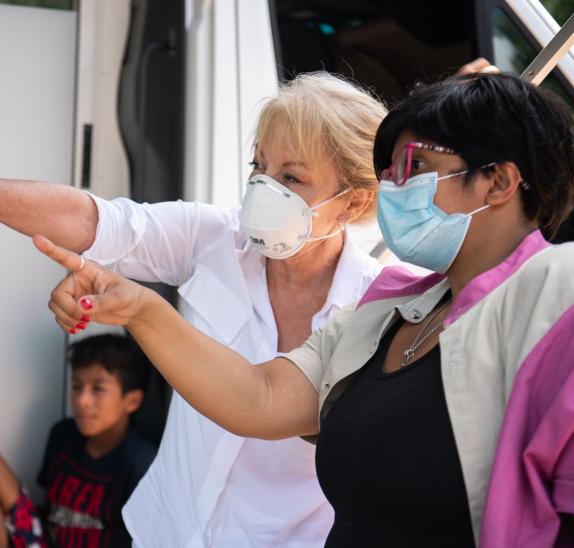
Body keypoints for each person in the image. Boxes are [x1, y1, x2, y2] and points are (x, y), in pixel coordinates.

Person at [0, 72, 387, 546]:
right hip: (168, 530)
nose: (263, 189)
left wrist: (138, 309)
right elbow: (100, 221)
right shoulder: (217, 239)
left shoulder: (380, 303)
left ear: (355, 202)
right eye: (258, 167)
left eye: (290, 178)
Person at [35, 72, 574, 548]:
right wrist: (141, 310)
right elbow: (259, 397)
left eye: (416, 165)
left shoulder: (557, 300)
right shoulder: (388, 310)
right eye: (390, 171)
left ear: (499, 181)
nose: (393, 188)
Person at [0, 334, 155, 548]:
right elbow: (49, 509)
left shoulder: (140, 462)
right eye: (77, 386)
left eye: (98, 389)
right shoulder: (63, 435)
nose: (82, 400)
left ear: (132, 401)